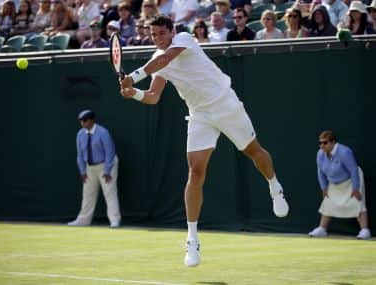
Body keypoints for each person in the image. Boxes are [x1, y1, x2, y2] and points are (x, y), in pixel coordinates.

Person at [119, 15, 289, 267]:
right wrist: (133, 93)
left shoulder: (184, 40)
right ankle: (192, 239)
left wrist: (133, 77)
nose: (158, 39)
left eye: (161, 34)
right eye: (153, 35)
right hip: (200, 115)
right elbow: (153, 97)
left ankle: (274, 185)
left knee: (254, 152)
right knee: (195, 173)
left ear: (172, 31)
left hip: (226, 105)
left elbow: (165, 59)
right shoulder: (157, 60)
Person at [309, 130, 371, 240]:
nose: (322, 145)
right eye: (320, 143)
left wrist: (356, 188)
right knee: (328, 203)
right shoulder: (320, 153)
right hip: (334, 183)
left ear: (333, 143)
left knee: (357, 203)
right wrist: (324, 188)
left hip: (352, 181)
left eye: (325, 143)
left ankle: (364, 230)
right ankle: (322, 229)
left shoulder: (345, 152)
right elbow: (320, 171)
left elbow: (353, 171)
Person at [68, 110, 121, 228]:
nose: (82, 123)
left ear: (92, 120)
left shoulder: (103, 132)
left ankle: (114, 220)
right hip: (90, 168)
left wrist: (107, 171)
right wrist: (82, 171)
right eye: (81, 121)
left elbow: (110, 152)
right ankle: (83, 220)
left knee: (110, 193)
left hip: (107, 165)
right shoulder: (80, 134)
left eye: (85, 120)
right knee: (88, 194)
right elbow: (80, 155)